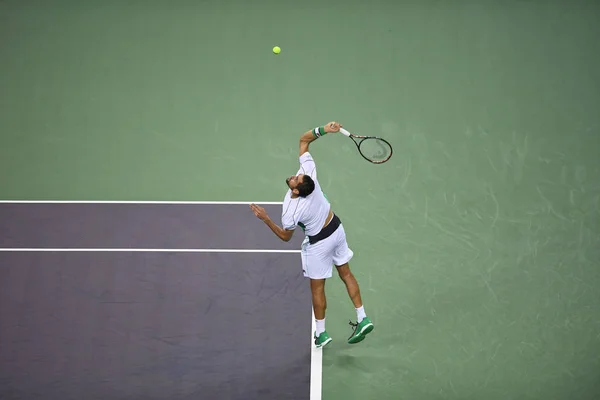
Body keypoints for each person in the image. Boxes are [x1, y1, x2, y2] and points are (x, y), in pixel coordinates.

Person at [249, 121, 374, 348]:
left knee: (317, 288)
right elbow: (305, 140)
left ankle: (322, 334)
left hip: (319, 245)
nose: (294, 176)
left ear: (296, 190)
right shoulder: (310, 177)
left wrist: (266, 219)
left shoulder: (291, 209)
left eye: (295, 179)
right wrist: (325, 129)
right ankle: (362, 317)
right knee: (346, 273)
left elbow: (286, 237)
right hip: (336, 229)